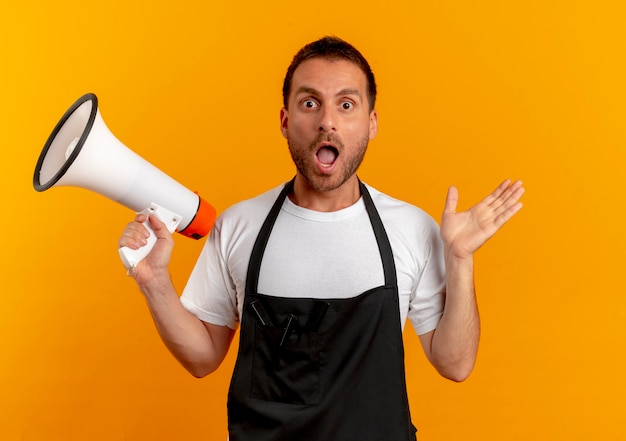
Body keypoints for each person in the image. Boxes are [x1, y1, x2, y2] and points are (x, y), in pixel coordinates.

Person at [119, 36, 524, 440]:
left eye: (346, 105)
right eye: (309, 103)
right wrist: (154, 282)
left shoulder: (412, 229)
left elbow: (454, 365)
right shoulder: (239, 225)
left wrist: (460, 259)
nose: (327, 121)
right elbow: (202, 358)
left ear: (372, 123)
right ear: (284, 120)